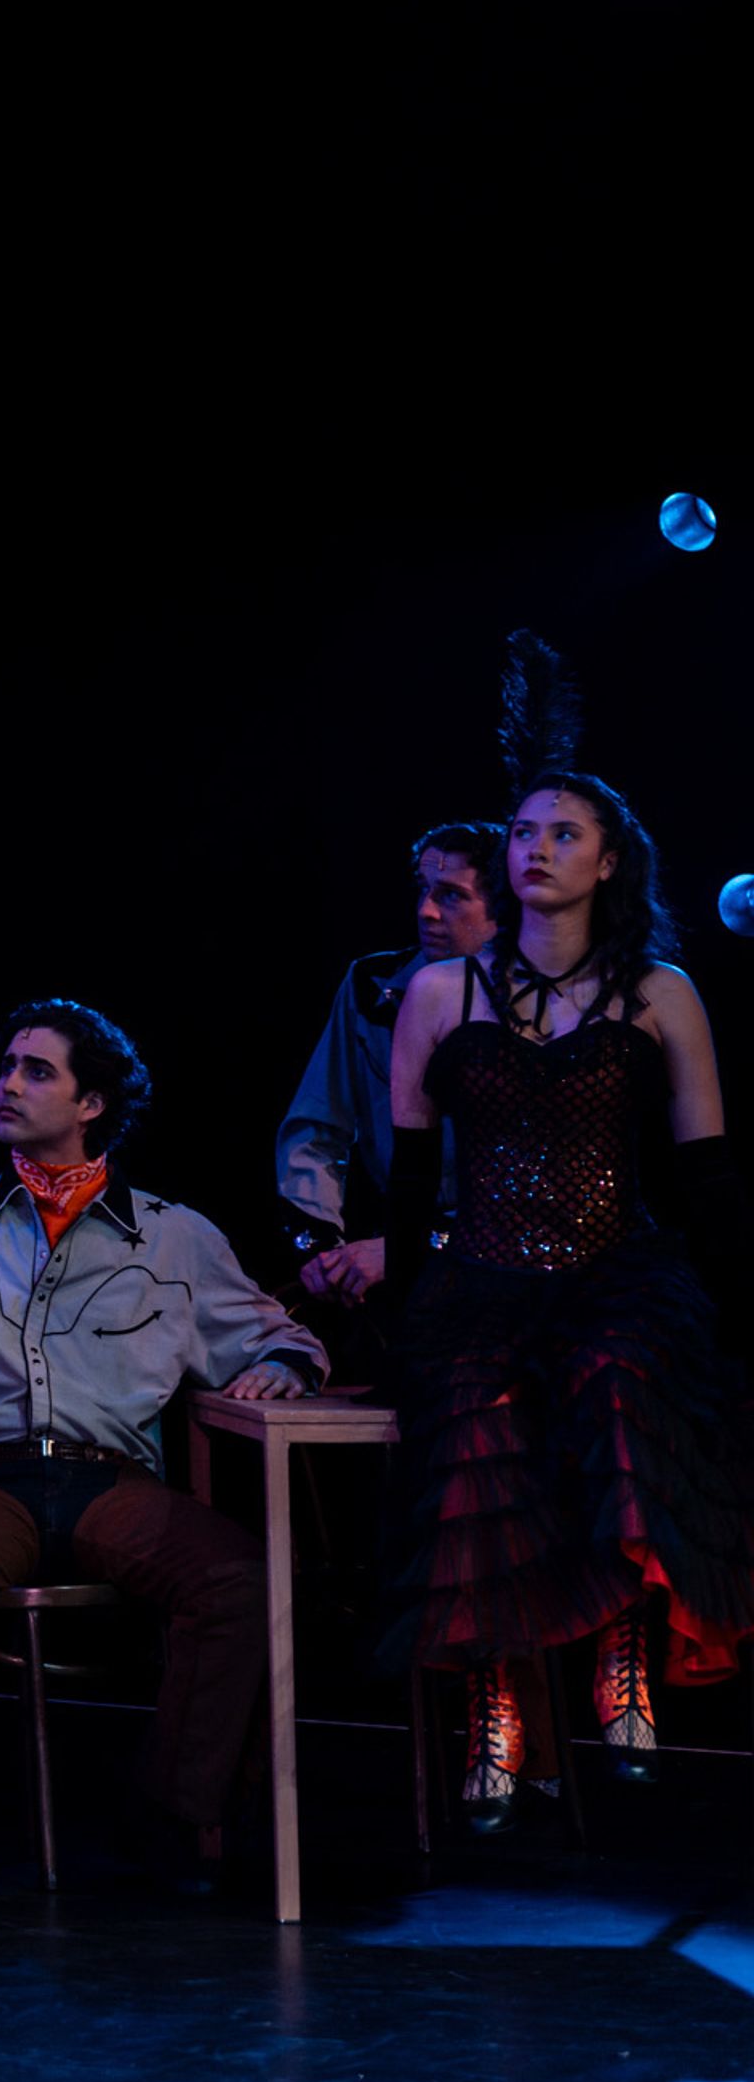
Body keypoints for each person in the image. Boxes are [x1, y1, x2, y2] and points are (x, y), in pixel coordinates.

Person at [0, 1001, 321, 1920]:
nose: (8, 1084)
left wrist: (280, 1366)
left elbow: (275, 1335)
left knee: (240, 1577)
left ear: (93, 1103)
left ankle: (168, 1814)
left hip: (108, 1481)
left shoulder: (174, 1235)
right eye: (5, 1066)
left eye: (36, 1071)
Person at [380, 771, 754, 1826]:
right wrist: (401, 1317)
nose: (536, 848)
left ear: (609, 860)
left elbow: (708, 1176)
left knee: (625, 1383)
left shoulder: (660, 990)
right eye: (525, 832)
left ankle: (624, 1651)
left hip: (614, 1267)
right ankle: (494, 1698)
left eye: (564, 833)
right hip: (483, 1274)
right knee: (470, 1425)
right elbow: (409, 1182)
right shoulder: (437, 993)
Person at [278, 821, 502, 1336]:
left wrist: (411, 1247)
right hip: (399, 1255)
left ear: (503, 910)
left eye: (450, 896)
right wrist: (320, 1248)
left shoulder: (537, 1007)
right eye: (423, 889)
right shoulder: (373, 986)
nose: (426, 910)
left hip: (506, 1264)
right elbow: (316, 1128)